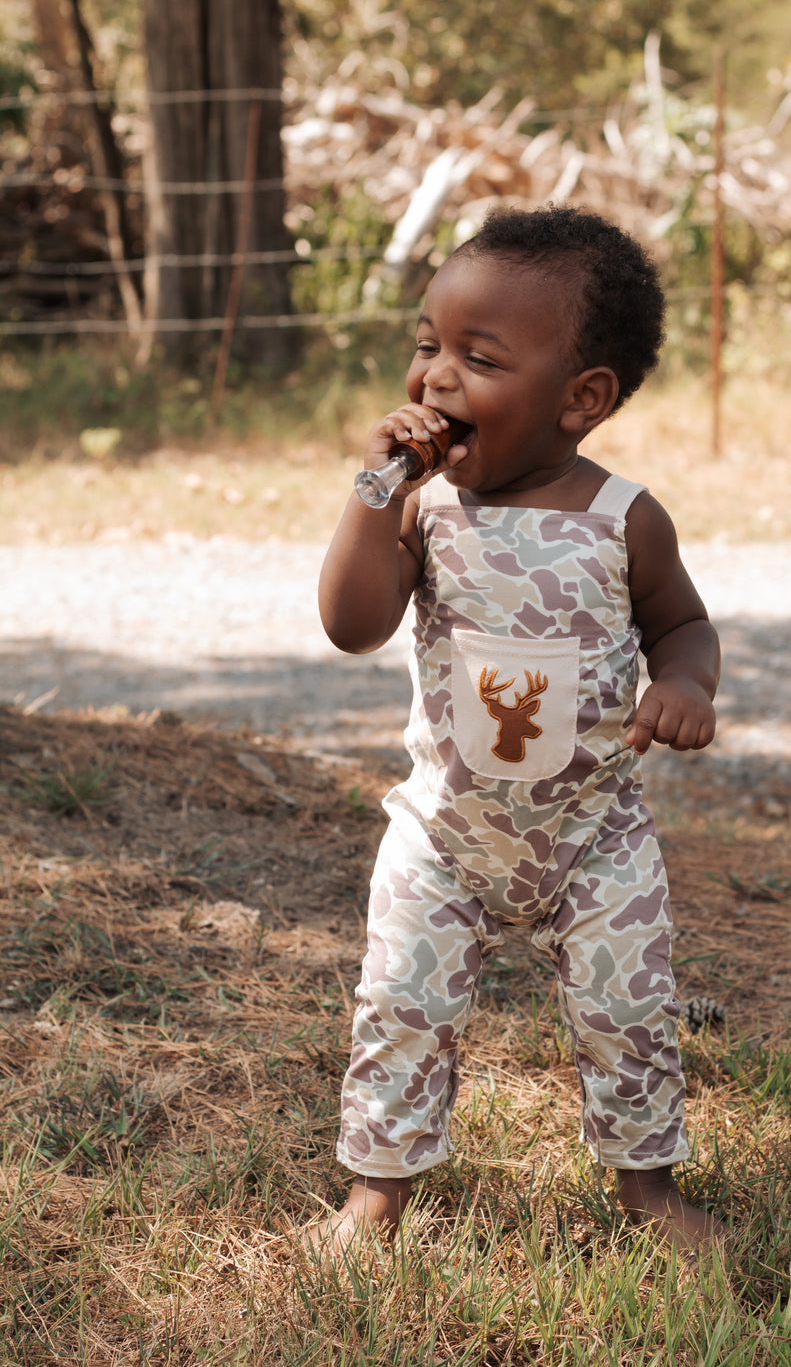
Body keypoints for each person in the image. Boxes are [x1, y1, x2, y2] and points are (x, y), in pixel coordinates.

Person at [315, 205, 722, 1260]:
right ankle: (376, 1194)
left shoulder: (623, 518)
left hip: (594, 834)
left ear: (580, 399)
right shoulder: (420, 508)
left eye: (478, 358)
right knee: (400, 1003)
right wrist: (373, 494)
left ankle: (646, 1190)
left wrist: (682, 683)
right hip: (443, 832)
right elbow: (351, 626)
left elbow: (680, 623)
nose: (436, 380)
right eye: (426, 346)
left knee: (628, 1015)